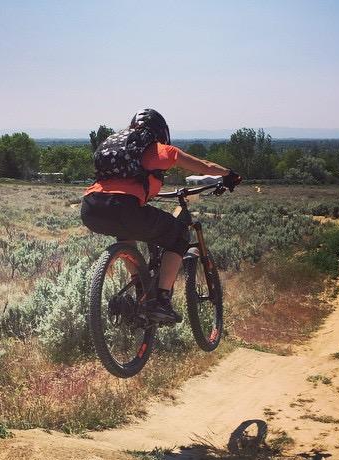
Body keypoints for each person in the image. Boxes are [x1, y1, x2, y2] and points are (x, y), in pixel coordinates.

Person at [81, 108, 241, 323]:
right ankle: (162, 301)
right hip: (124, 207)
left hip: (91, 207)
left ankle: (141, 289)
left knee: (126, 232)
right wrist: (228, 174)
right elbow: (204, 167)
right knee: (178, 235)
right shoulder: (156, 149)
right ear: (160, 131)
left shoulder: (116, 146)